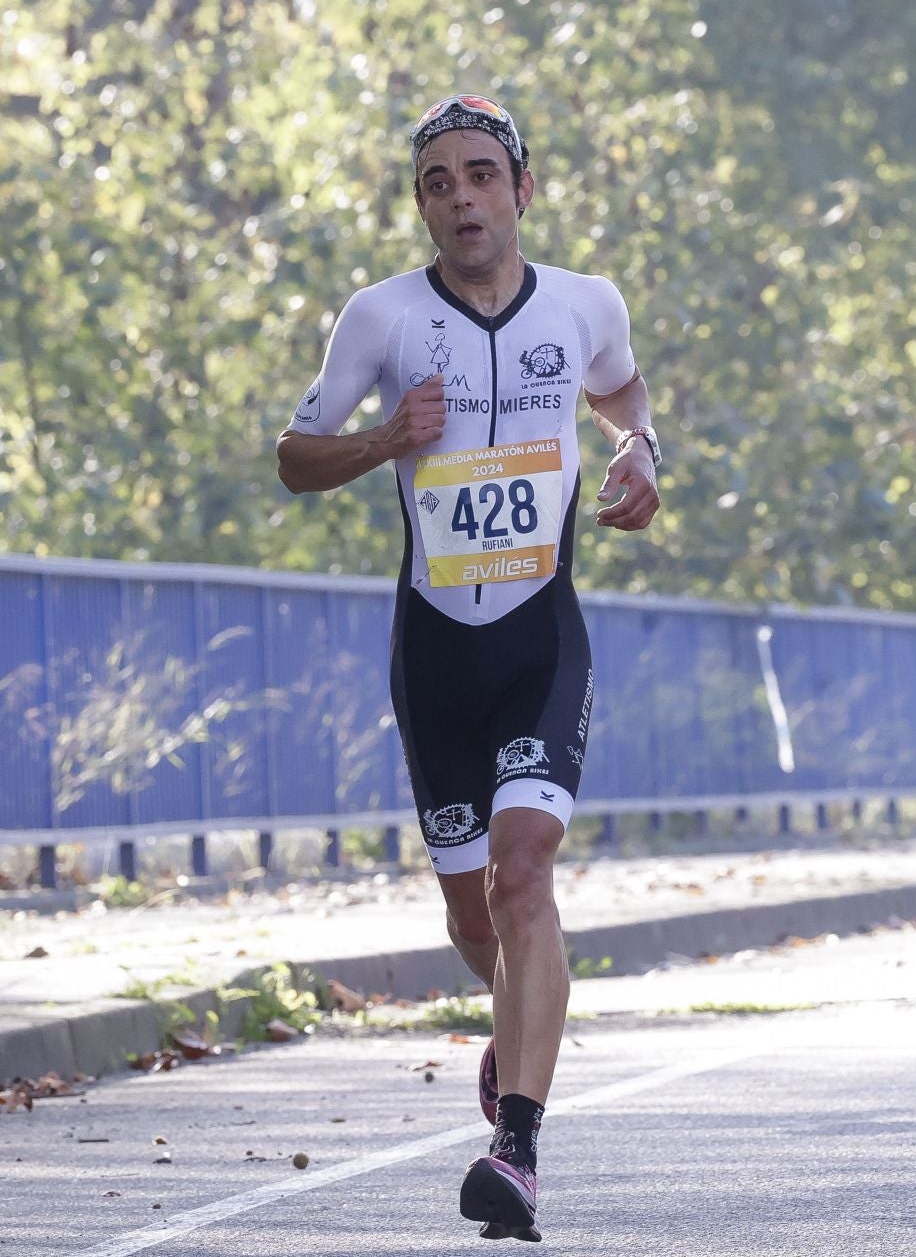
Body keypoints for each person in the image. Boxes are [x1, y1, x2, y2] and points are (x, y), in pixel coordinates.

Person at [275, 94, 662, 1242]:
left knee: (524, 865)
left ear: (521, 191)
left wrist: (643, 452)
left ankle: (519, 1148)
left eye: (481, 175)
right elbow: (296, 457)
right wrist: (389, 438)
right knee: (470, 907)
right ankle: (517, 1017)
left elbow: (622, 392)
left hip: (543, 632)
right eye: (438, 181)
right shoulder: (382, 317)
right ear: (423, 205)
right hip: (435, 647)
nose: (461, 197)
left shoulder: (587, 304)